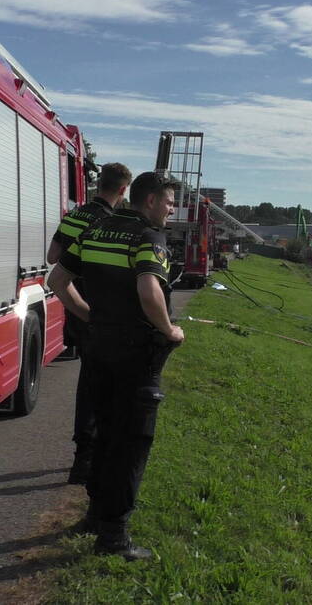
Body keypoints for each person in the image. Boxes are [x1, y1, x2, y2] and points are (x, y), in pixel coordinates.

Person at [47, 171, 183, 561]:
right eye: (170, 202)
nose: (172, 209)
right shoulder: (148, 237)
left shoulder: (96, 229)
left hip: (98, 346)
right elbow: (148, 288)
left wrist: (89, 315)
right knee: (132, 442)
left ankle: (94, 514)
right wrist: (169, 330)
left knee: (104, 434)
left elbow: (58, 278)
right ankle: (115, 536)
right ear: (151, 200)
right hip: (136, 353)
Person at [47, 162, 132, 486]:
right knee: (104, 383)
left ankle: (86, 453)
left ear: (99, 183)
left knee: (89, 376)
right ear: (123, 190)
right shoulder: (114, 222)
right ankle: (90, 456)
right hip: (102, 308)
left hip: (74, 303)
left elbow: (54, 256)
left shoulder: (75, 216)